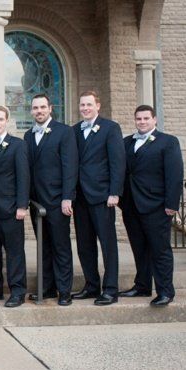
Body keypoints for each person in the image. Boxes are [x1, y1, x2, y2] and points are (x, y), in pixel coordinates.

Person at [120, 105, 183, 307]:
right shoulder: (126, 142)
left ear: (154, 119)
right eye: (138, 118)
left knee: (160, 249)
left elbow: (174, 174)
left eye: (146, 118)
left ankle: (165, 291)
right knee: (139, 248)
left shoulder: (168, 142)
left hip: (157, 205)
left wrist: (172, 204)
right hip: (131, 205)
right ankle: (142, 286)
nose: (142, 122)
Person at [72, 90, 125, 305]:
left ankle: (110, 289)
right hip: (80, 197)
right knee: (84, 245)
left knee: (107, 244)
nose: (85, 108)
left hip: (102, 196)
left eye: (89, 104)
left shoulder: (110, 128)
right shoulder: (74, 130)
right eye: (82, 105)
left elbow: (118, 162)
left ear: (98, 106)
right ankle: (91, 286)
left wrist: (115, 192)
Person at [26, 94, 78, 306]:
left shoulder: (64, 132)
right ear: (31, 110)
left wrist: (67, 197)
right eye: (35, 108)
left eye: (42, 107)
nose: (39, 111)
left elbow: (70, 167)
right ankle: (46, 289)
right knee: (43, 246)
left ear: (50, 108)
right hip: (36, 203)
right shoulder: (28, 135)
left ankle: (64, 291)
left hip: (57, 201)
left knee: (61, 246)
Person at [0, 106, 30, 308]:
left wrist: (22, 205)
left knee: (14, 251)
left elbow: (23, 176)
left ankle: (17, 291)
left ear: (7, 121)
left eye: (1, 119)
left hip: (11, 207)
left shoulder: (18, 145)